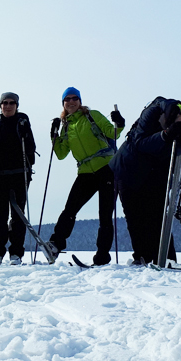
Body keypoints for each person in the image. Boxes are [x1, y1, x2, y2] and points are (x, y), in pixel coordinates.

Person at [115, 96, 181, 266]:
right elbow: (140, 143)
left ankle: (167, 260)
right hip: (128, 169)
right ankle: (142, 257)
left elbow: (176, 163)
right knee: (136, 218)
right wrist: (166, 135)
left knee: (159, 217)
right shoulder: (155, 111)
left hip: (154, 174)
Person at [40, 88, 123, 265]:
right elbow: (61, 154)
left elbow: (113, 133)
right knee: (70, 209)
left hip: (107, 167)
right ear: (63, 104)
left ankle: (102, 257)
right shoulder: (66, 126)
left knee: (105, 214)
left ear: (80, 101)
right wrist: (54, 137)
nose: (71, 102)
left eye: (74, 98)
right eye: (67, 99)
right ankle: (55, 245)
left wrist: (120, 123)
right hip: (85, 172)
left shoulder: (92, 115)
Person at [0, 92, 35, 265]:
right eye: (5, 103)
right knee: (0, 215)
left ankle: (16, 252)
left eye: (12, 103)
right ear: (0, 106)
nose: (8, 106)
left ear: (17, 105)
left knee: (18, 215)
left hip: (19, 174)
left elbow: (31, 147)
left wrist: (26, 132)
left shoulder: (22, 124)